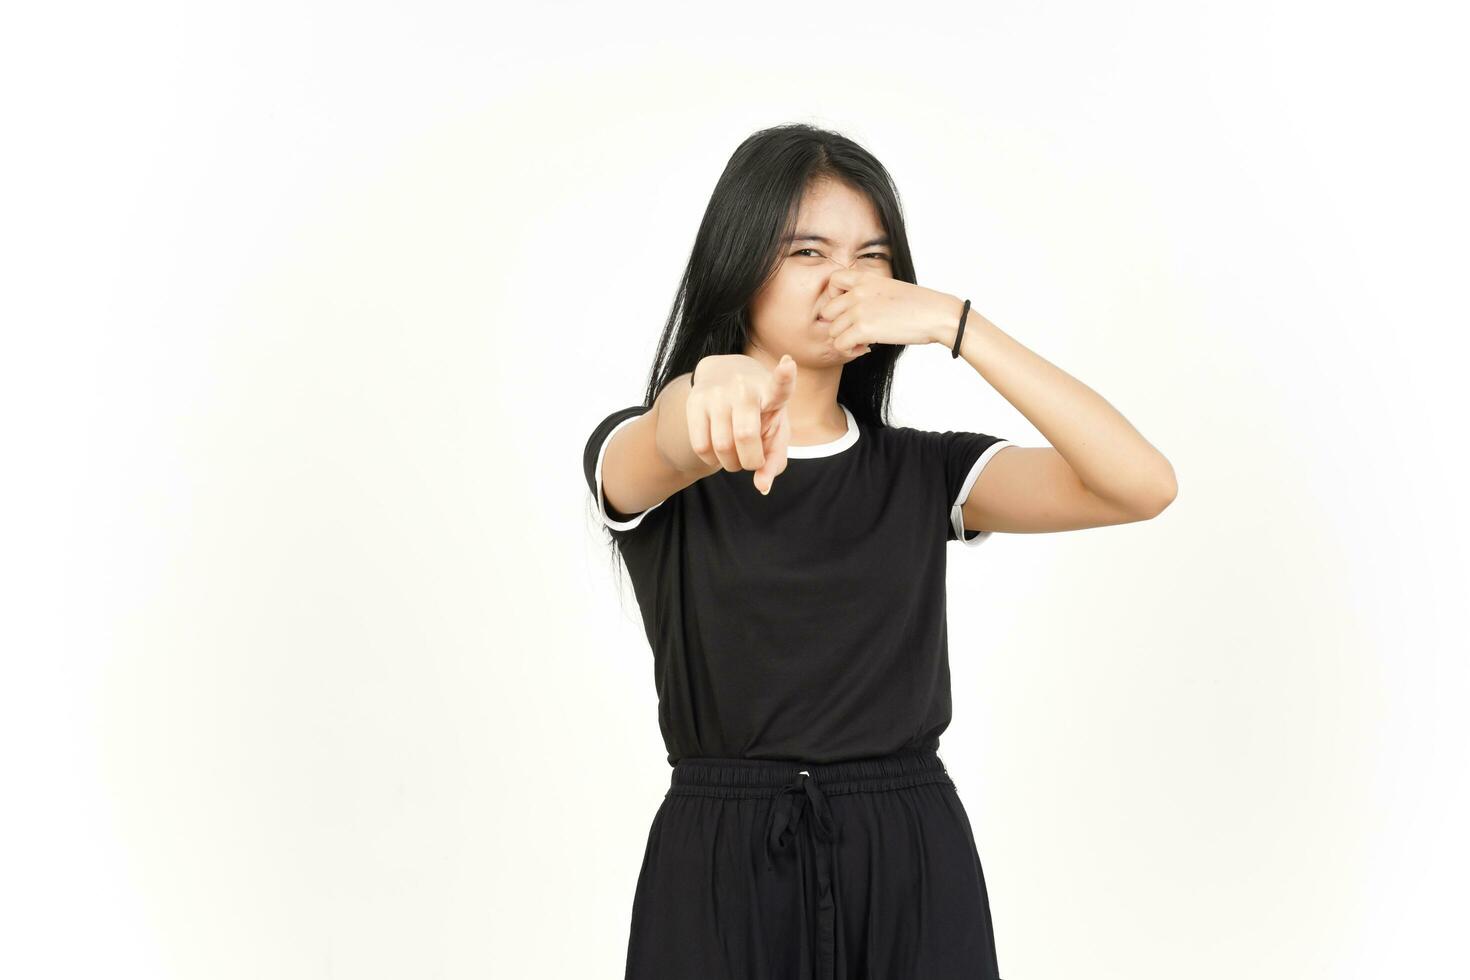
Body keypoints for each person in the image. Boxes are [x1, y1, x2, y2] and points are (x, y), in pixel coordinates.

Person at [582, 123, 1177, 980]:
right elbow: (662, 444)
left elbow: (1140, 484)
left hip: (909, 861)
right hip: (720, 866)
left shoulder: (924, 472)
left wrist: (955, 322)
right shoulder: (661, 457)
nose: (845, 280)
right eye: (808, 251)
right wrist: (702, 391)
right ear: (740, 260)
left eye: (872, 256)